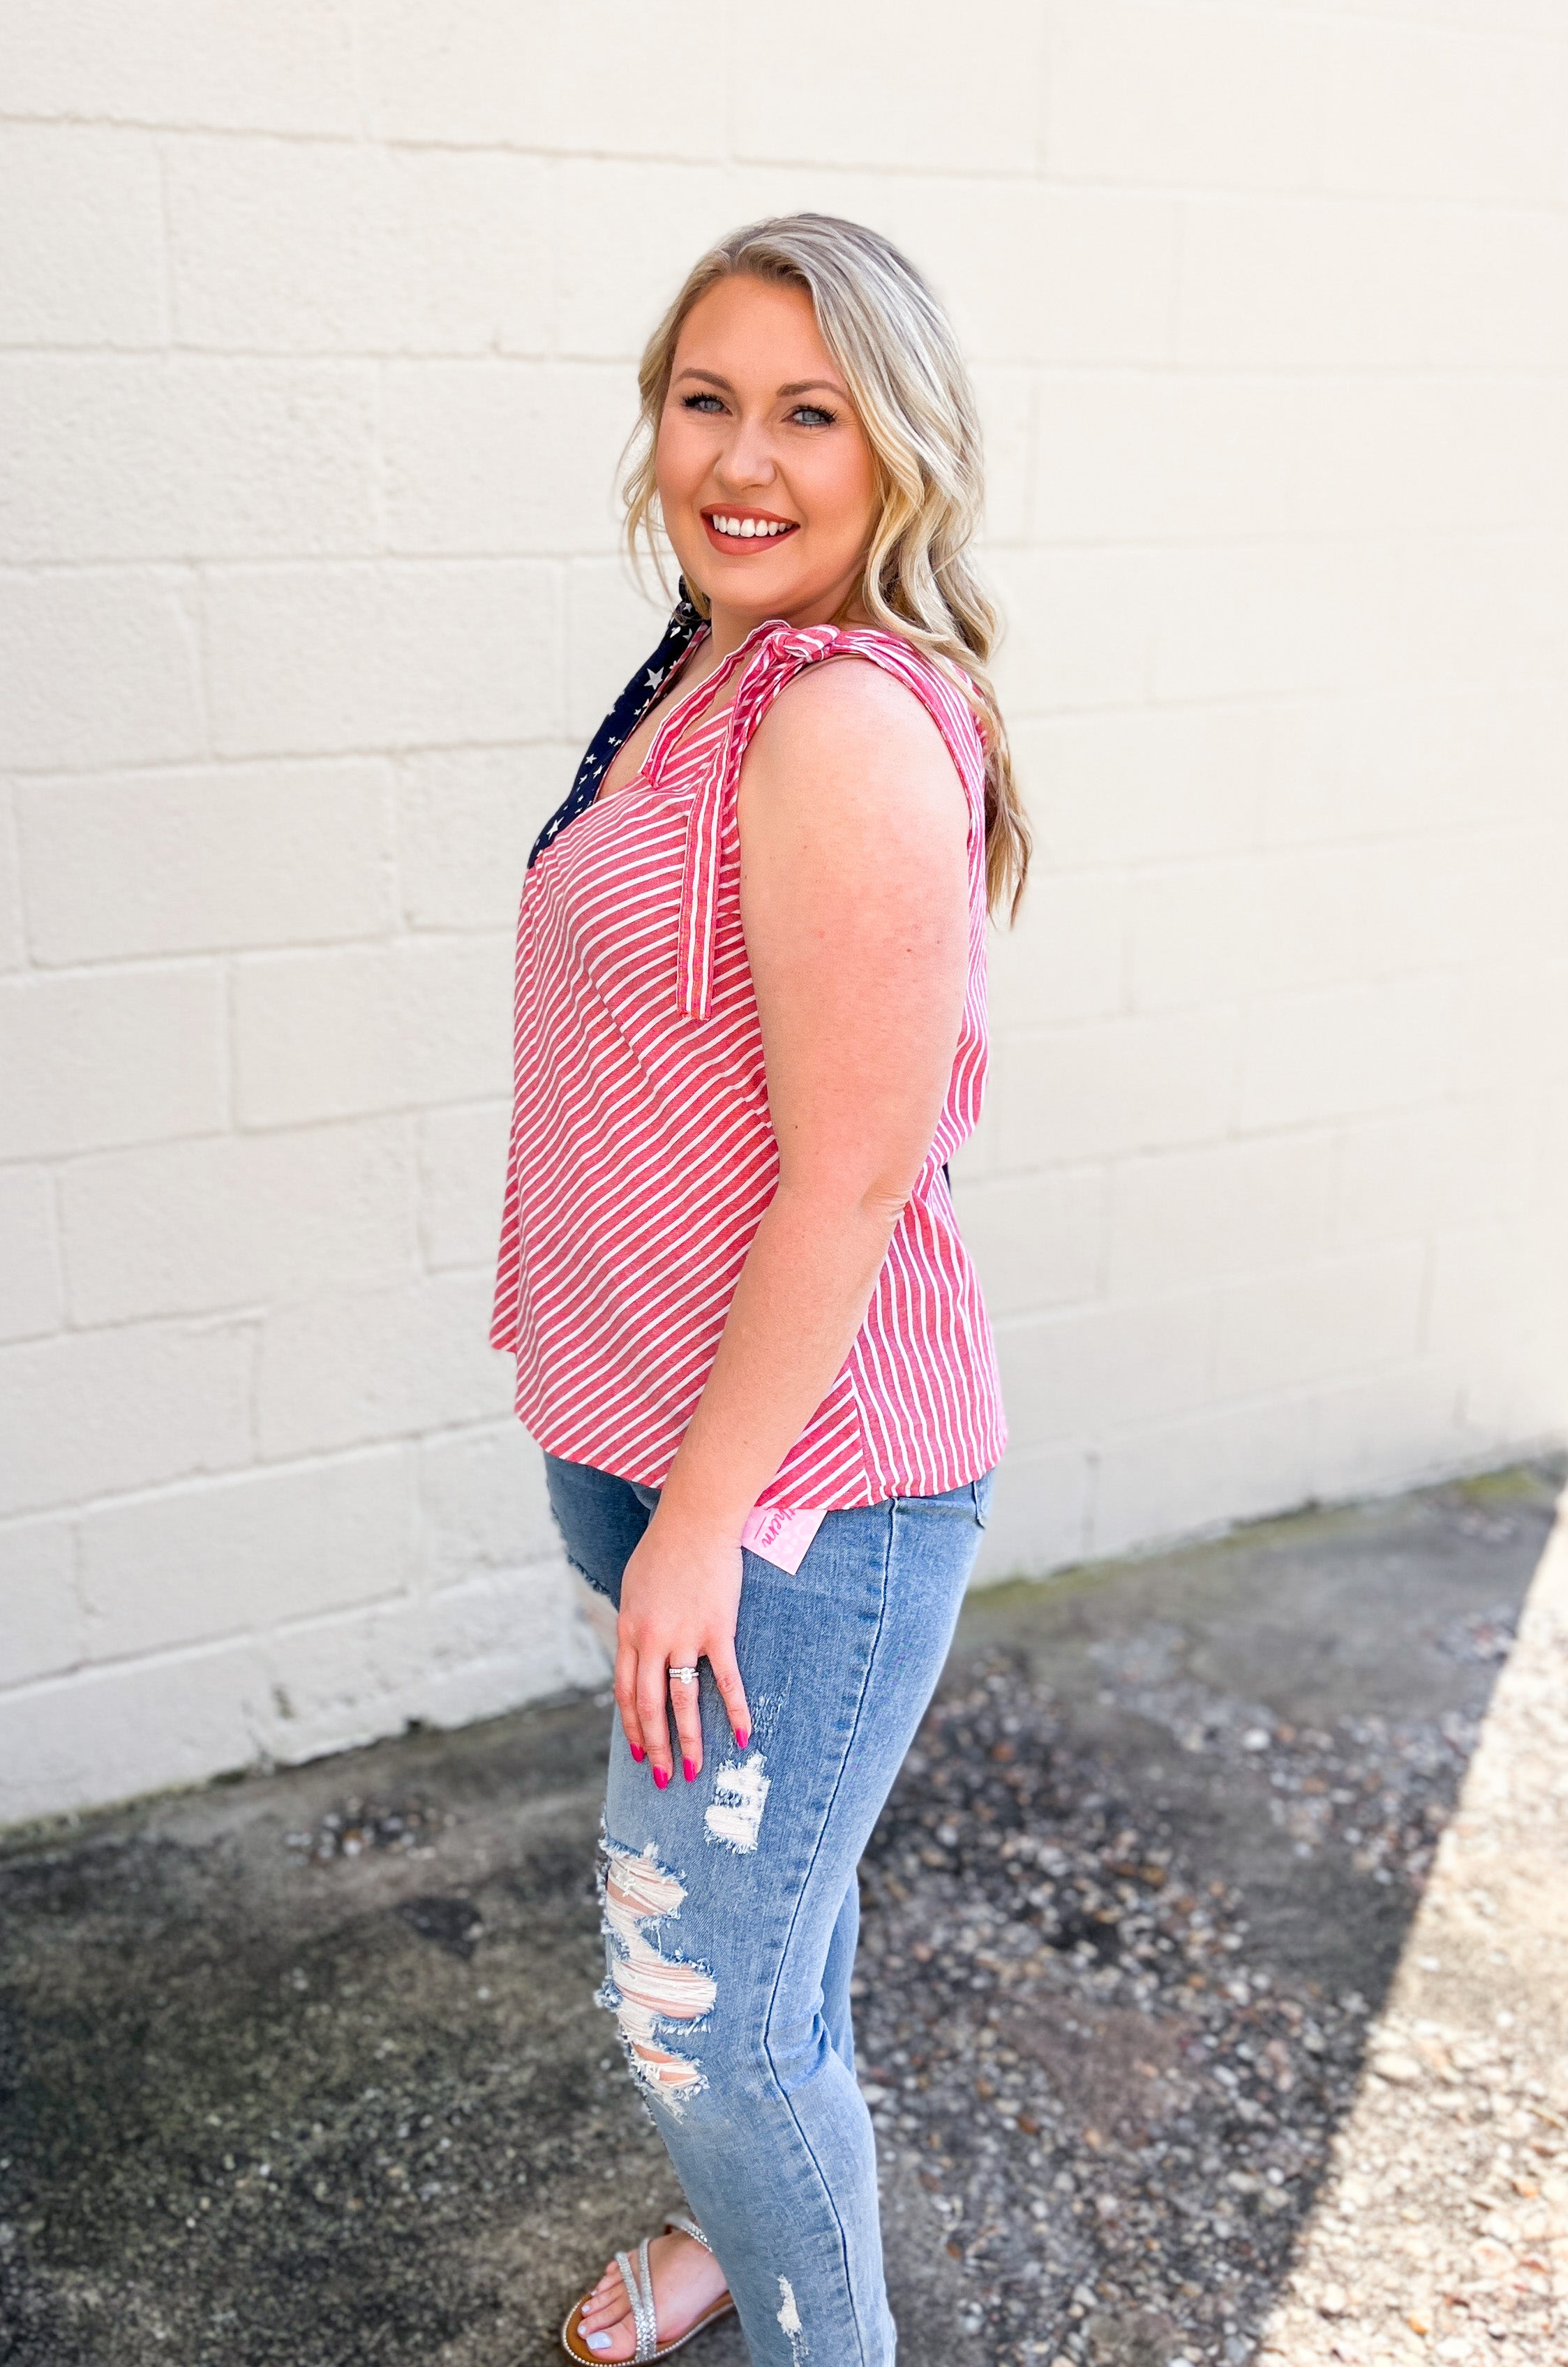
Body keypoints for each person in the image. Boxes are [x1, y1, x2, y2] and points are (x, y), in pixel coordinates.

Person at [489, 212, 1029, 2366]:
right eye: (707, 398)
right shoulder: (705, 661)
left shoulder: (841, 726)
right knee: (763, 1935)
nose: (747, 456)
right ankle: (739, 2226)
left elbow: (853, 1181)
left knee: (697, 1998)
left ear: (900, 452)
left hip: (797, 1502)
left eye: (812, 413)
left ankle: (824, 2327)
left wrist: (703, 1523)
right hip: (646, 1440)